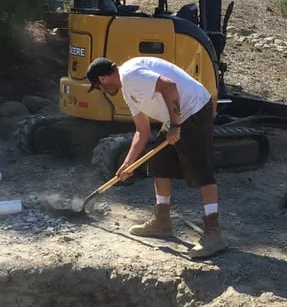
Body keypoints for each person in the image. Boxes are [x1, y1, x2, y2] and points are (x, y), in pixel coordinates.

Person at [86, 55, 227, 259]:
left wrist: (176, 126)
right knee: (159, 163)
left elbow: (169, 86)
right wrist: (128, 164)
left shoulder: (130, 74)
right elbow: (142, 132)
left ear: (102, 79)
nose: (101, 90)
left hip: (195, 109)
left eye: (97, 86)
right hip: (176, 116)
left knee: (201, 170)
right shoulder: (128, 91)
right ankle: (162, 221)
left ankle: (214, 233)